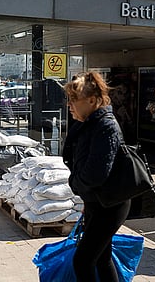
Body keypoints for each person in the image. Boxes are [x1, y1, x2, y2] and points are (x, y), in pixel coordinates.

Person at [62, 71, 131, 282]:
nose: (69, 105)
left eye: (74, 100)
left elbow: (95, 175)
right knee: (101, 257)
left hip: (110, 205)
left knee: (83, 260)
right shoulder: (89, 123)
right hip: (97, 202)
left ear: (92, 100)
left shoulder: (105, 126)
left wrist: (74, 183)